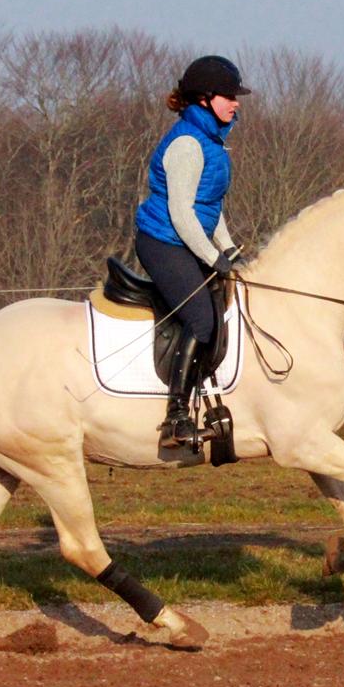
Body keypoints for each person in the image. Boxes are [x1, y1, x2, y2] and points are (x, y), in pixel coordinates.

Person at [134, 55, 250, 449]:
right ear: (204, 99)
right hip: (163, 241)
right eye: (229, 97)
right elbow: (182, 216)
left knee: (218, 306)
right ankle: (176, 418)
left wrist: (229, 248)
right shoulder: (187, 144)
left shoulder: (211, 141)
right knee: (201, 318)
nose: (236, 104)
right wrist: (212, 257)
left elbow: (207, 207)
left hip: (184, 237)